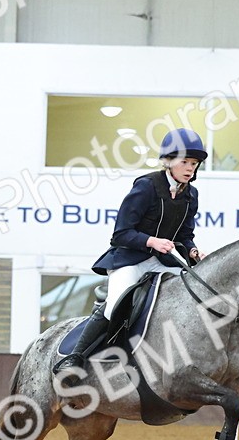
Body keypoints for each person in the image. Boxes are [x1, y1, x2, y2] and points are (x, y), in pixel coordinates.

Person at [53, 127, 206, 375]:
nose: (190, 168)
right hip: (130, 259)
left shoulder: (191, 194)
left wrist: (193, 250)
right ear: (168, 161)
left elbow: (185, 235)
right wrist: (152, 242)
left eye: (195, 163)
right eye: (185, 162)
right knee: (115, 304)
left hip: (163, 262)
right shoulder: (146, 186)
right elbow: (121, 233)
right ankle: (75, 357)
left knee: (193, 293)